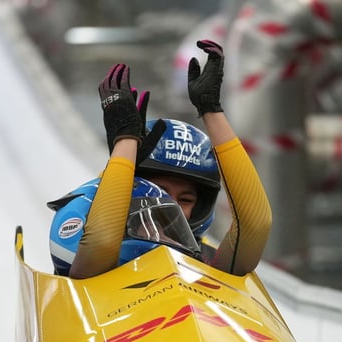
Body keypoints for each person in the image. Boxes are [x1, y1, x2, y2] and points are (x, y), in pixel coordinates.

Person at [48, 40, 271, 279]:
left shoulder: (208, 262)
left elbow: (255, 226)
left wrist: (212, 111)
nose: (170, 207)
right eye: (159, 192)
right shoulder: (89, 242)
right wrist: (125, 143)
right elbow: (101, 243)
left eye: (185, 200)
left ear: (199, 210)